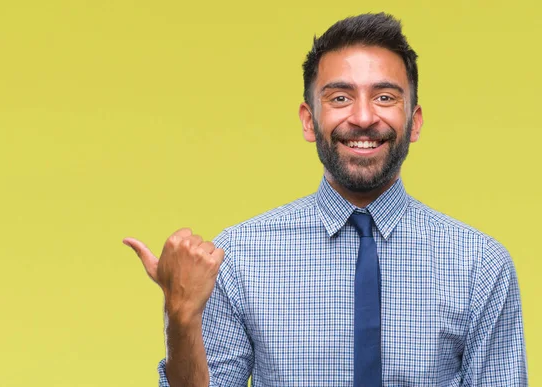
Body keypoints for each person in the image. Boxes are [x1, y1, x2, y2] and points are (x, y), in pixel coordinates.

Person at [123, 12, 528, 387]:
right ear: (308, 120)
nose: (365, 117)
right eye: (340, 98)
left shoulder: (480, 265)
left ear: (415, 121)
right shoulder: (239, 257)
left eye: (385, 97)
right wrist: (182, 316)